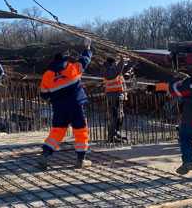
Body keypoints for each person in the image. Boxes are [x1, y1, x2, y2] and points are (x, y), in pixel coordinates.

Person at [38, 38, 92, 169]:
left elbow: (44, 94)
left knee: (57, 131)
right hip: (76, 106)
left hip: (59, 108)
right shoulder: (71, 67)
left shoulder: (47, 75)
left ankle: (45, 155)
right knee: (80, 131)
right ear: (64, 60)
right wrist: (88, 49)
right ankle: (81, 160)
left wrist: (55, 96)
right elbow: (85, 60)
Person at [103, 56, 127, 143]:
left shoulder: (114, 70)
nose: (116, 65)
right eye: (115, 63)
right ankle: (112, 136)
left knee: (120, 116)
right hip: (113, 95)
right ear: (112, 63)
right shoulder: (108, 71)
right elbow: (117, 71)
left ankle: (117, 133)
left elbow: (120, 73)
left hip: (117, 95)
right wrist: (122, 60)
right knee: (114, 116)